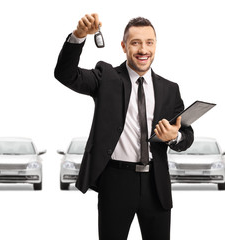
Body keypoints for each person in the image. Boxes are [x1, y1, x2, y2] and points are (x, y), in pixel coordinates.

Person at [54, 13, 194, 240]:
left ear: (155, 45)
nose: (143, 50)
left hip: (155, 184)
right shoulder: (106, 78)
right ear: (124, 46)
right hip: (116, 181)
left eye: (149, 42)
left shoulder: (170, 89)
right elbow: (65, 74)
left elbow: (186, 135)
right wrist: (79, 36)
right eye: (135, 42)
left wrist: (174, 136)